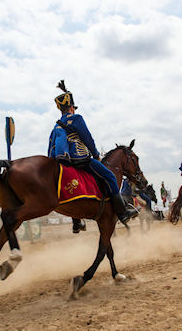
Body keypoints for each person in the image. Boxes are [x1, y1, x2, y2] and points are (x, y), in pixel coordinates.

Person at [48, 80, 138, 229]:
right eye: (73, 108)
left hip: (63, 161)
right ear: (71, 107)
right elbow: (87, 138)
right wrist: (96, 155)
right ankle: (123, 212)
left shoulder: (57, 124)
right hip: (79, 159)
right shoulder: (76, 119)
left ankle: (76, 222)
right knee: (109, 176)